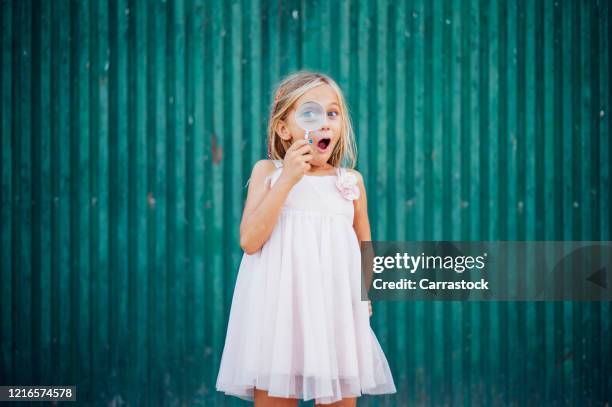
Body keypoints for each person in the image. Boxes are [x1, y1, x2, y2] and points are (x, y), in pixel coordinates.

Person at [216, 71, 396, 406]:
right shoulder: (267, 174)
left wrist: (364, 296)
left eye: (333, 113)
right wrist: (288, 179)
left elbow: (364, 247)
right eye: (310, 113)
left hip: (335, 316)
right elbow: (250, 241)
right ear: (284, 129)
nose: (326, 122)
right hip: (278, 317)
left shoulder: (350, 181)